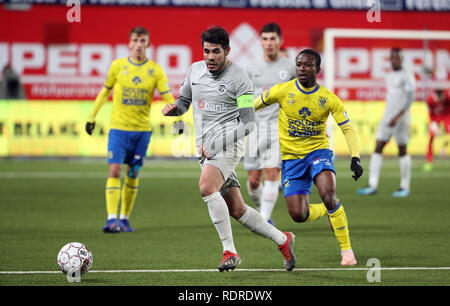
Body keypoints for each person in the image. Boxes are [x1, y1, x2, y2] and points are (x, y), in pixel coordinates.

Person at [162, 26, 296, 272]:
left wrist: (217, 144)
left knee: (206, 186)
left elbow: (247, 123)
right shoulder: (194, 70)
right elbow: (184, 101)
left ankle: (229, 251)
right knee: (237, 209)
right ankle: (283, 239)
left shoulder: (240, 77)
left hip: (228, 145)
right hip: (205, 148)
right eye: (206, 51)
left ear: (227, 51)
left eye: (216, 52)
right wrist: (176, 110)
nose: (210, 57)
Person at [254, 49, 363, 266]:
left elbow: (348, 128)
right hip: (292, 159)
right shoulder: (282, 91)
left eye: (308, 65)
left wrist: (355, 157)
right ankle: (328, 209)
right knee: (298, 215)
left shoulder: (328, 98)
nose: (302, 69)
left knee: (328, 193)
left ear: (318, 70)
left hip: (317, 153)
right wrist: (231, 108)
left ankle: (347, 252)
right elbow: (253, 104)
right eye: (299, 65)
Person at [85, 26, 175, 233]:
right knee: (114, 169)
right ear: (129, 43)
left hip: (142, 131)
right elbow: (104, 91)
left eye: (143, 41)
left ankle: (124, 219)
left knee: (133, 173)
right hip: (118, 129)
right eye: (136, 40)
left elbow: (168, 97)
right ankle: (110, 219)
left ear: (148, 44)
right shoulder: (117, 66)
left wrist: (178, 118)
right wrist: (91, 116)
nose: (139, 45)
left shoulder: (155, 70)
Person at [243, 23, 296, 225]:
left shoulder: (291, 67)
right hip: (255, 128)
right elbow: (243, 96)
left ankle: (264, 219)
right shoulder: (250, 67)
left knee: (272, 171)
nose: (268, 43)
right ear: (260, 42)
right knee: (254, 180)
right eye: (265, 39)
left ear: (280, 41)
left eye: (272, 39)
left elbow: (299, 95)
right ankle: (260, 210)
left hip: (278, 127)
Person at [357, 48, 415, 197]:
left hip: (401, 118)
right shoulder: (389, 76)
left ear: (402, 59)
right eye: (392, 58)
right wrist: (389, 115)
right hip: (387, 117)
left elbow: (409, 99)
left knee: (402, 149)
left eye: (397, 58)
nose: (394, 60)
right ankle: (372, 184)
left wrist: (398, 116)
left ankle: (404, 186)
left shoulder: (407, 76)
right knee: (378, 147)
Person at [423, 89, 450, 171]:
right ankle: (429, 162)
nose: (442, 100)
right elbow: (430, 114)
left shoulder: (447, 96)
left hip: (447, 116)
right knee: (431, 137)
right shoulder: (430, 100)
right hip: (435, 118)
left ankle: (444, 147)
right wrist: (434, 125)